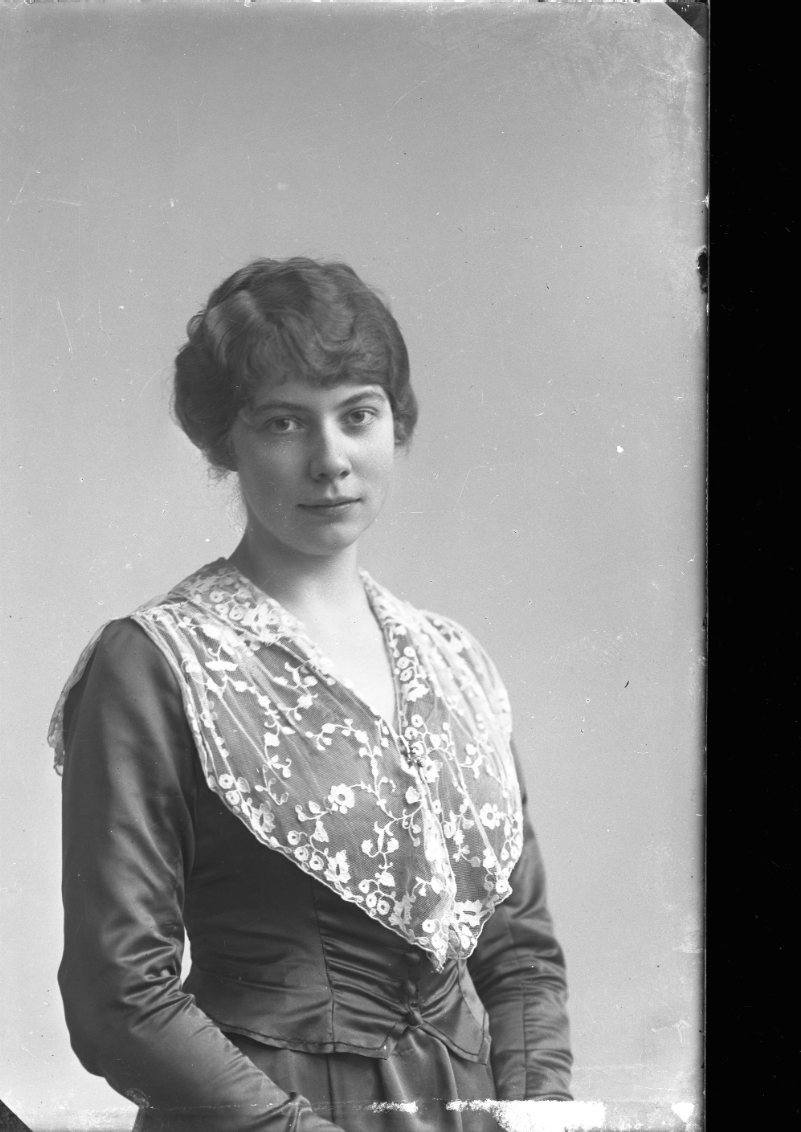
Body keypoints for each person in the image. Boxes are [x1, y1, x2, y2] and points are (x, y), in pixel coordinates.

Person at [49, 257, 572, 1131]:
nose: (330, 460)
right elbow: (119, 994)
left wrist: (541, 1119)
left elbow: (518, 958)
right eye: (284, 422)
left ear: (394, 423)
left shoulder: (454, 660)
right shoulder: (157, 661)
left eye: (357, 415)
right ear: (225, 443)